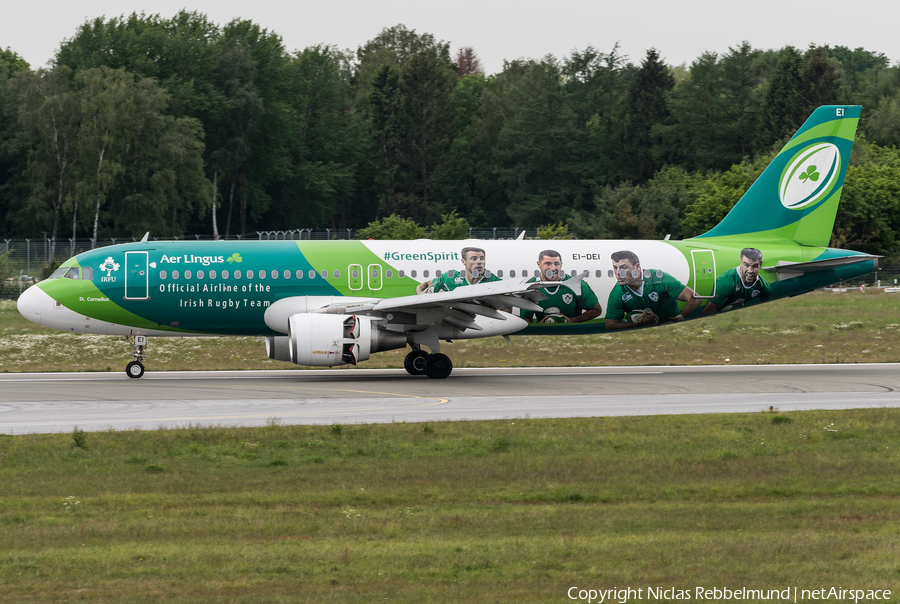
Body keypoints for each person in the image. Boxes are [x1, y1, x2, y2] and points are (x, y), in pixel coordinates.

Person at [605, 250, 701, 330]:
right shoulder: (617, 293)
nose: (617, 273)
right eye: (615, 268)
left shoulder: (659, 279)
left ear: (637, 267)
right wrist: (637, 324)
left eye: (623, 267)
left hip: (671, 327)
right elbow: (609, 325)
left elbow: (696, 298)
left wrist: (680, 317)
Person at [519, 250, 601, 324]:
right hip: (544, 335)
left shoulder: (577, 284)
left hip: (571, 333)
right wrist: (540, 327)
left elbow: (596, 310)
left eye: (556, 264)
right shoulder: (529, 287)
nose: (552, 268)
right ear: (539, 264)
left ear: (561, 264)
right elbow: (526, 319)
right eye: (547, 263)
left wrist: (572, 320)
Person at [702, 248, 772, 314]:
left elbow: (770, 309)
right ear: (741, 261)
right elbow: (706, 313)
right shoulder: (725, 282)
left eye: (754, 266)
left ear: (760, 264)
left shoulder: (764, 286)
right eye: (746, 265)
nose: (750, 271)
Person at [416, 246, 502, 294]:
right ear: (463, 261)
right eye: (474, 259)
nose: (479, 262)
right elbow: (424, 285)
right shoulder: (451, 277)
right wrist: (420, 295)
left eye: (482, 258)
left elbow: (506, 312)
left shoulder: (494, 281)